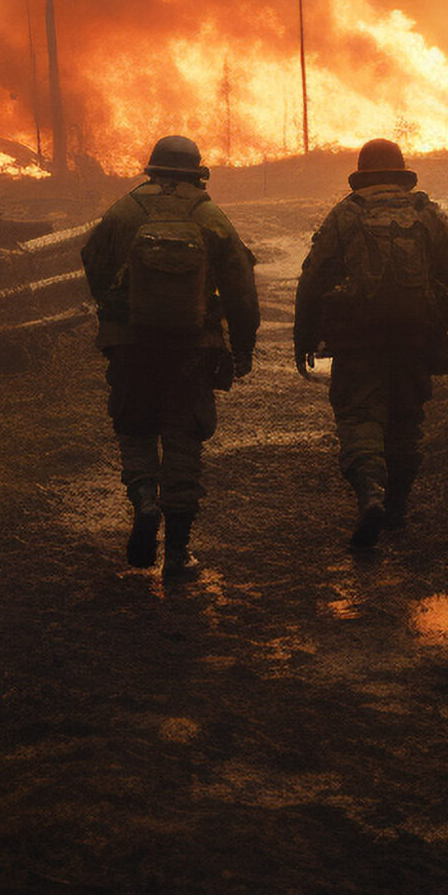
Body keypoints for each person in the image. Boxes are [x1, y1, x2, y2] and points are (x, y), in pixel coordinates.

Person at [79, 134, 259, 577]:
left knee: (136, 427)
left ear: (153, 169)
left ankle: (143, 499)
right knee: (182, 440)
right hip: (191, 349)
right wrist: (243, 344)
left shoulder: (125, 210)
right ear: (196, 171)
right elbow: (240, 282)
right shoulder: (207, 213)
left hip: (132, 345)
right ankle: (178, 554)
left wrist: (116, 311)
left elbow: (92, 257)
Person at [293, 138, 448, 548]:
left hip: (358, 338)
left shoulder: (346, 213)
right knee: (406, 420)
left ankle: (370, 493)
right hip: (414, 336)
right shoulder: (425, 212)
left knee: (360, 416)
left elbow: (313, 280)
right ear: (400, 172)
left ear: (363, 174)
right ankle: (395, 509)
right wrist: (431, 299)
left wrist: (304, 337)